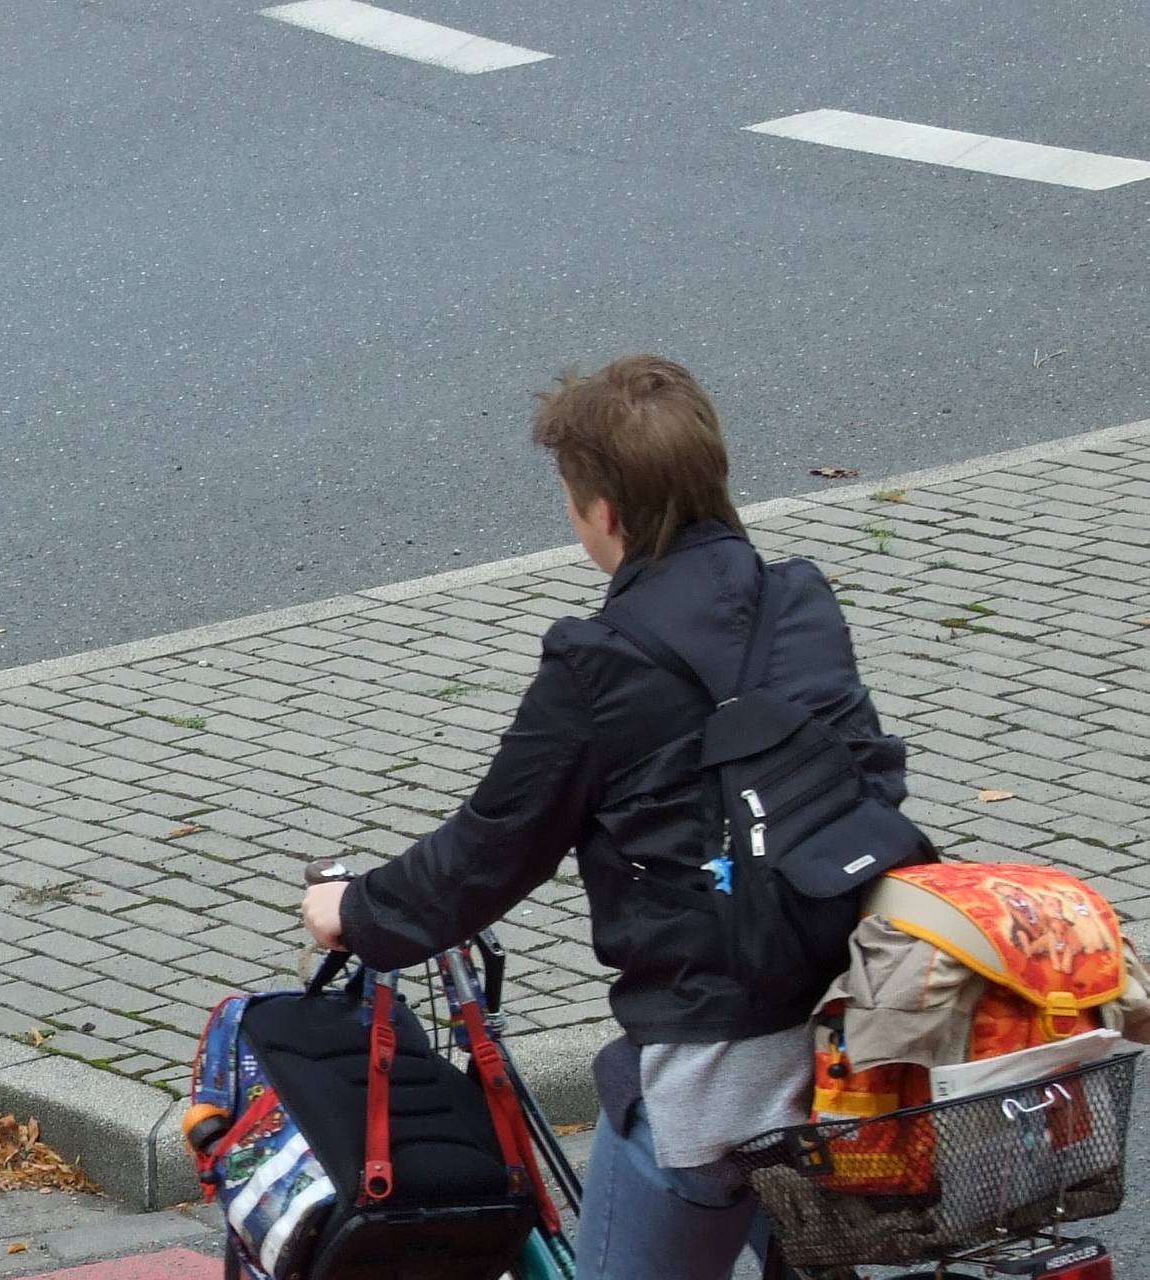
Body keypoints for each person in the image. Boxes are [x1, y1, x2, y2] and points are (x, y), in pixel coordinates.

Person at [295, 355, 910, 1279]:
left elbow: (489, 849)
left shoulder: (598, 666)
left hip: (718, 1057)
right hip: (857, 1010)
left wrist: (357, 912)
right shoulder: (798, 603)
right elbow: (869, 778)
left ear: (605, 513)